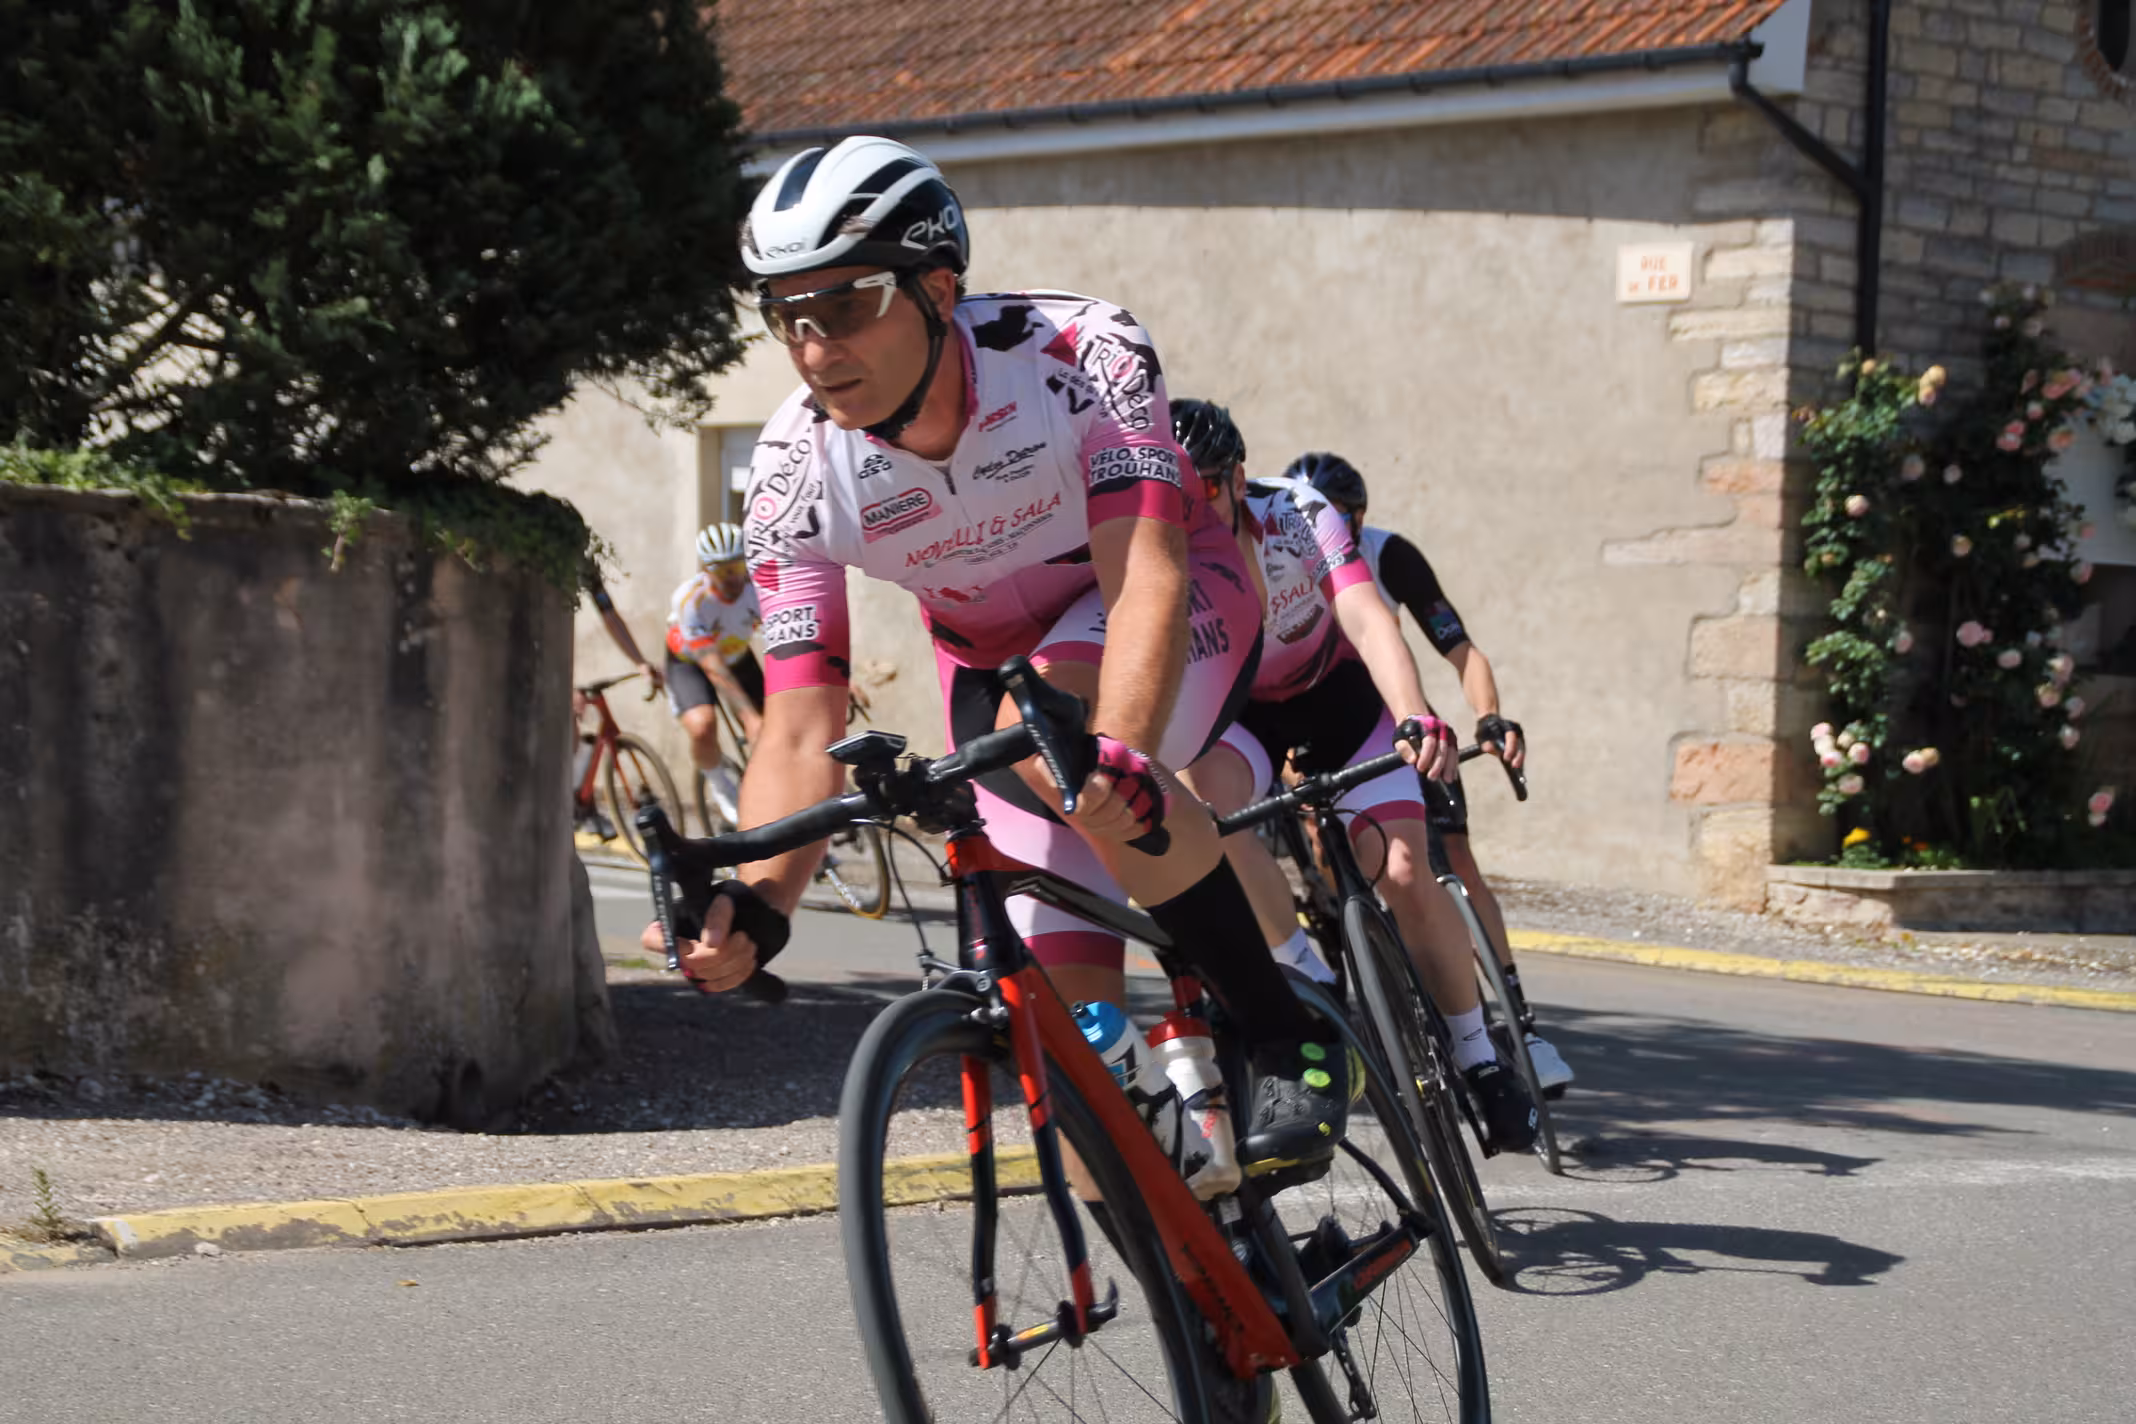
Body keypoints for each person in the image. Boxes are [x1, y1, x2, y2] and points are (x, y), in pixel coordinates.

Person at [640, 136, 1421, 1169]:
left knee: (1056, 745)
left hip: (1166, 601)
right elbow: (797, 724)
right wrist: (758, 899)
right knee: (1069, 1062)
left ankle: (1289, 1029)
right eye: (788, 315)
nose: (816, 347)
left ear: (937, 288)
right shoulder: (794, 474)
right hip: (989, 665)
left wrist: (1119, 752)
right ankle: (1201, 1225)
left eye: (847, 304)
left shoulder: (1080, 353)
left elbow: (1144, 573)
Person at [1171, 402, 1540, 1150]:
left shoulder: (1297, 513)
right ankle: (1308, 978)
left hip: (1339, 695)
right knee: (1201, 806)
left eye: (1206, 487)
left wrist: (1414, 716)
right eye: (1175, 492)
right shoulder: (1156, 542)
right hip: (1240, 711)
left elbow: (1369, 618)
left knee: (1403, 869)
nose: (1192, 507)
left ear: (1237, 479)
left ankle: (1479, 1053)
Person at [1295, 451, 1574, 1097]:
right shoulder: (1280, 557)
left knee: (1456, 859)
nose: (1325, 530)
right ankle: (1359, 961)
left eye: (1339, 517)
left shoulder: (1389, 555)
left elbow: (1462, 650)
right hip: (1318, 734)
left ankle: (1523, 1027)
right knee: (1328, 852)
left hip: (1401, 728)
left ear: (1358, 518)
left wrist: (1489, 715)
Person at [664, 522, 764, 827]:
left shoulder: (758, 590)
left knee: (775, 728)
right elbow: (711, 664)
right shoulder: (691, 600)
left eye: (737, 567)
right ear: (706, 570)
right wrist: (749, 716)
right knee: (702, 725)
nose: (732, 577)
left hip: (737, 656)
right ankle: (720, 785)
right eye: (722, 571)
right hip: (691, 662)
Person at [572, 564, 664, 840]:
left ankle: (581, 803)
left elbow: (609, 615)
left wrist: (640, 662)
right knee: (568, 729)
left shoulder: (584, 569)